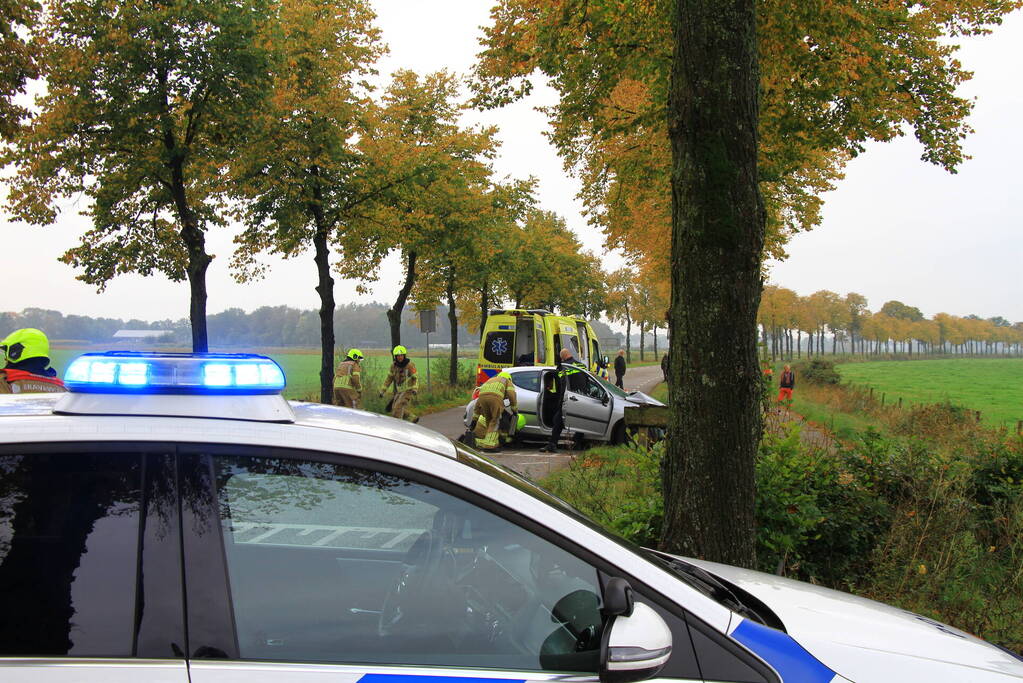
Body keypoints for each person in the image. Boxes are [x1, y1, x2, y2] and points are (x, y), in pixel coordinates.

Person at [539, 348, 586, 454]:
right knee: (581, 420)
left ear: (562, 357)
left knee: (558, 420)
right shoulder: (581, 365)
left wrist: (560, 401)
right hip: (582, 398)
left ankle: (552, 444)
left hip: (568, 398)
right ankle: (577, 442)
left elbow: (561, 385)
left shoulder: (563, 367)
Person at [0, 328, 67, 394]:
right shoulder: (61, 387)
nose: (5, 359)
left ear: (16, 352)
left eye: (6, 353)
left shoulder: (4, 381)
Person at [471, 370, 518, 452]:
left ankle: (491, 442)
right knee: (496, 421)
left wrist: (474, 420)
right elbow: (512, 396)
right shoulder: (507, 381)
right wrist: (514, 410)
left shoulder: (490, 381)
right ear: (509, 379)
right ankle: (489, 446)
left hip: (482, 398)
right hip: (495, 399)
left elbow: (478, 404)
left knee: (489, 422)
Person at [380, 345, 418, 423]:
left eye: (401, 355)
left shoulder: (410, 365)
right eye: (398, 356)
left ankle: (398, 425)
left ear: (404, 355)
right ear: (395, 357)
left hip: (408, 391)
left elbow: (415, 378)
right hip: (399, 392)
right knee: (394, 408)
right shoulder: (393, 366)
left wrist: (415, 389)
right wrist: (383, 391)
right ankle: (412, 418)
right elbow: (389, 379)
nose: (400, 357)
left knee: (398, 407)